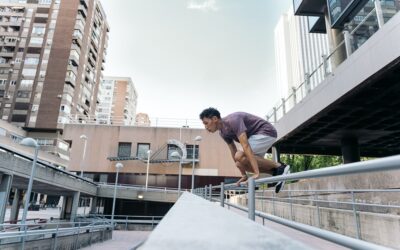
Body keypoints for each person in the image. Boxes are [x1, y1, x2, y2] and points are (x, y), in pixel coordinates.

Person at [199, 107, 290, 193]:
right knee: (240, 163)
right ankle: (275, 172)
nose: (206, 127)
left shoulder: (233, 120)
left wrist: (256, 173)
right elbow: (233, 151)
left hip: (266, 132)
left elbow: (245, 145)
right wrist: (243, 174)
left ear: (215, 119)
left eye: (206, 123)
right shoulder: (222, 133)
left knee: (240, 155)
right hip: (255, 138)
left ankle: (280, 166)